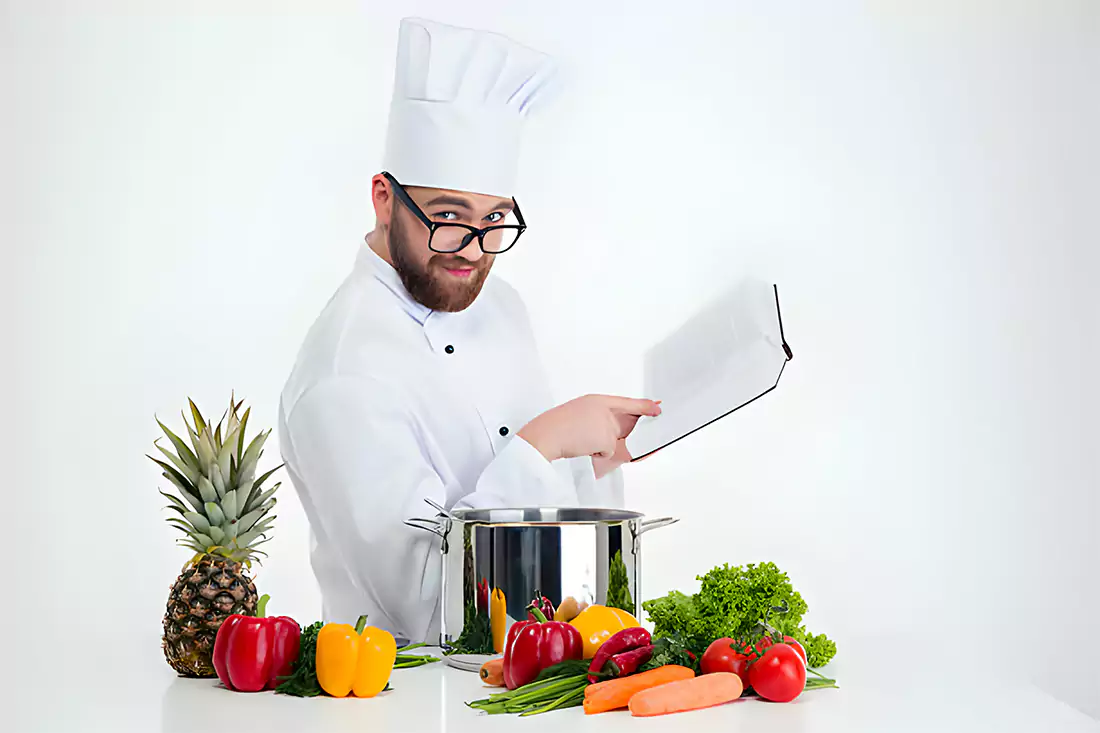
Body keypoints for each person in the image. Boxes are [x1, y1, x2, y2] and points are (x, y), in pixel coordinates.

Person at [278, 17, 660, 644]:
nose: (472, 251)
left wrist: (589, 459)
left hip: (540, 661)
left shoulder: (500, 303)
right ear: (382, 197)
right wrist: (541, 445)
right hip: (414, 695)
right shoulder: (343, 376)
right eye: (448, 215)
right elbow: (430, 609)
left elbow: (548, 502)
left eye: (495, 220)